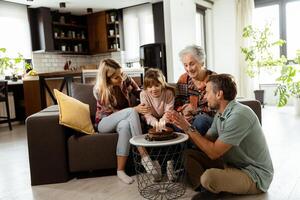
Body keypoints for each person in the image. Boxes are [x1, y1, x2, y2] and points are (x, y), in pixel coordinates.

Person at [166, 74, 273, 199]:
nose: (205, 97)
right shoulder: (220, 114)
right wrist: (184, 126)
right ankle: (209, 188)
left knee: (208, 177)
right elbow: (206, 143)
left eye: (207, 92)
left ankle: (211, 186)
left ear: (219, 94)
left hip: (254, 175)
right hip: (230, 164)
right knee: (188, 154)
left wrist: (187, 128)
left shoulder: (239, 115)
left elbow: (214, 153)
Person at [93, 58, 159, 184]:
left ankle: (120, 170)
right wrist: (134, 109)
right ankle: (144, 155)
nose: (121, 79)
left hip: (124, 121)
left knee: (124, 126)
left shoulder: (125, 79)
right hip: (105, 122)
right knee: (131, 111)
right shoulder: (99, 90)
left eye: (121, 74)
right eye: (116, 77)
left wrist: (147, 102)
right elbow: (110, 113)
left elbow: (139, 92)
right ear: (107, 79)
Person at [175, 45, 216, 135]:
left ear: (202, 62)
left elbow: (218, 108)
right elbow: (177, 104)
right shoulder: (183, 79)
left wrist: (196, 110)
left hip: (207, 120)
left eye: (192, 64)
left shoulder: (213, 79)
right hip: (187, 119)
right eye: (185, 65)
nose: (188, 69)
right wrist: (183, 110)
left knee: (200, 121)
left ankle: (196, 145)